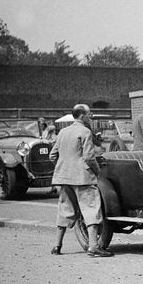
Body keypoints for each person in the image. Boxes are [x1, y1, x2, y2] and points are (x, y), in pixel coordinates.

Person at [48, 104, 113, 257]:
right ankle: (93, 247)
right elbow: (89, 157)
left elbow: (52, 156)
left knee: (65, 210)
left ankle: (57, 246)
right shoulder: (85, 132)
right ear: (82, 116)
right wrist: (98, 173)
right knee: (91, 210)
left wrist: (64, 168)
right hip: (83, 178)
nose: (91, 116)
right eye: (89, 114)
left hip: (64, 178)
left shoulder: (63, 132)